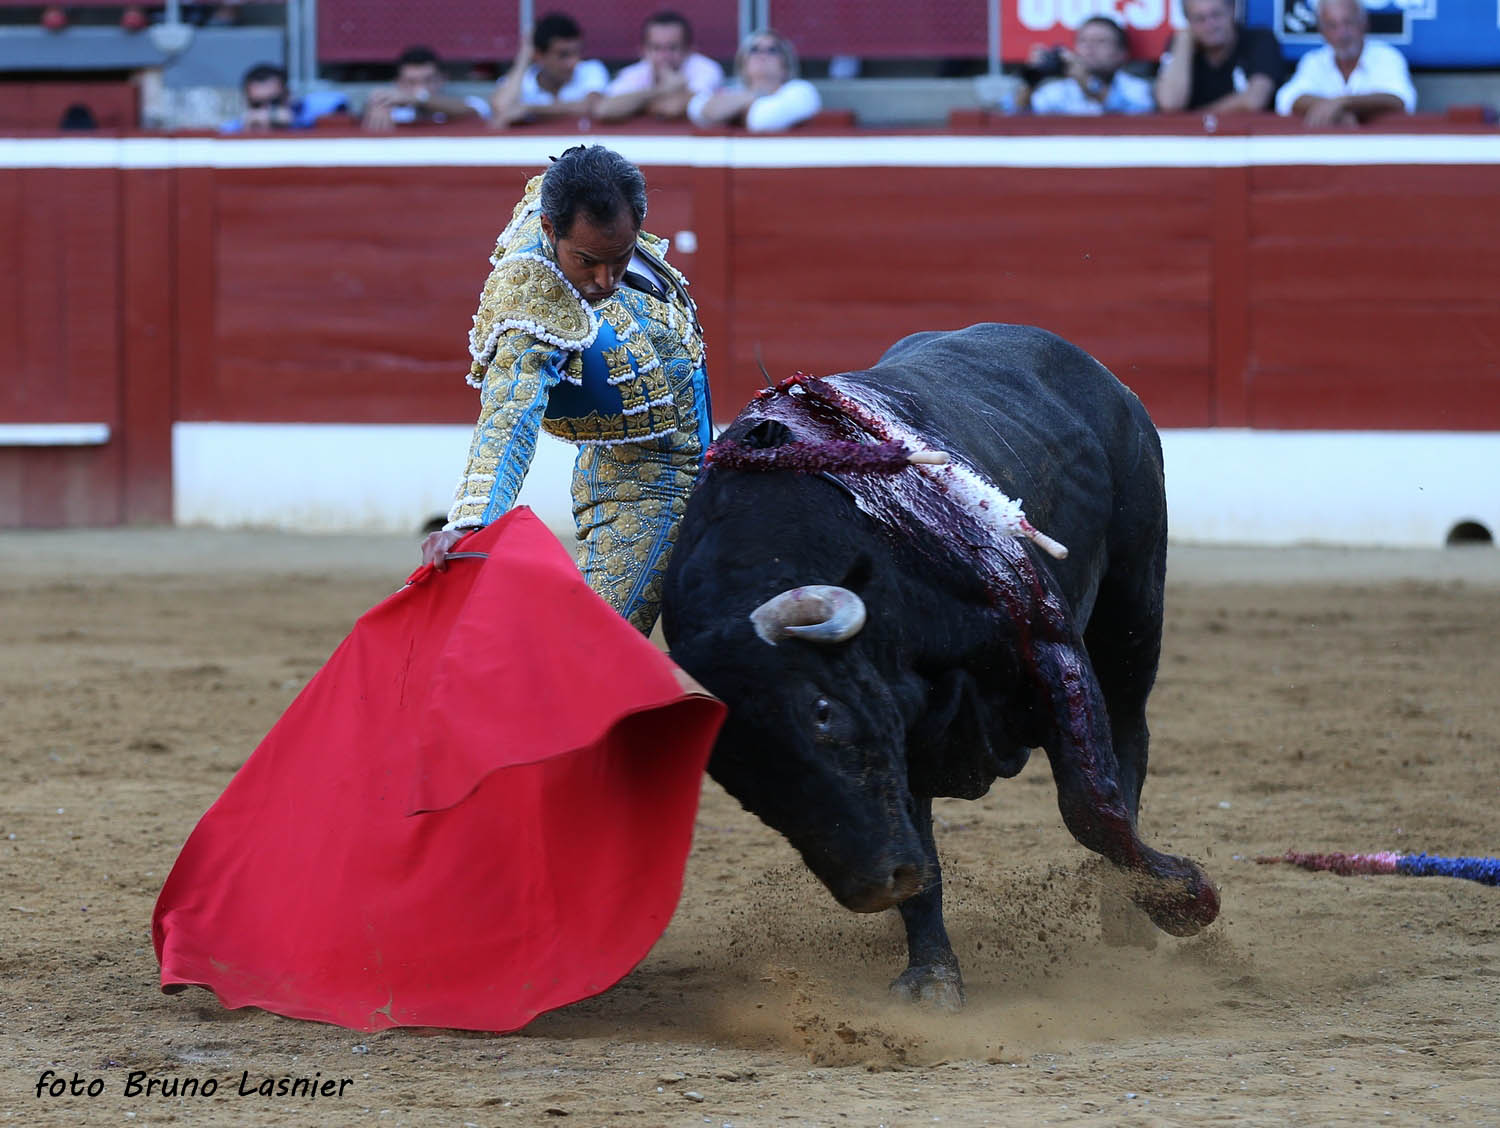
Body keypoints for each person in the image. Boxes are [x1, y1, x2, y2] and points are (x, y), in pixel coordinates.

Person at [422, 145, 711, 635]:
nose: (605, 280)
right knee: (594, 653)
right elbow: (509, 414)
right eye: (587, 261)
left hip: (708, 463)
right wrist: (472, 522)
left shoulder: (586, 208)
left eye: (619, 259)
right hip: (640, 489)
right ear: (551, 231)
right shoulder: (530, 305)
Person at [1275, 0, 1415, 125]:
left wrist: (1344, 103)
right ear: (1321, 31)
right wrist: (1333, 109)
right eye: (1332, 25)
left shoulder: (1386, 56)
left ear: (1364, 23)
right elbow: (1287, 99)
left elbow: (1400, 100)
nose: (1342, 34)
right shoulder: (1314, 61)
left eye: (1348, 23)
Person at [1154, 0, 1285, 114]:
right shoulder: (1181, 46)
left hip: (1250, 138)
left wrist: (1196, 119)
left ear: (1232, 10)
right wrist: (1183, 40)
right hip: (1192, 141)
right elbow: (1169, 104)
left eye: (1216, 15)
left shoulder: (1259, 40)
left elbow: (1254, 100)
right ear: (1188, 21)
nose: (1210, 25)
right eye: (1199, 19)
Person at [592, 11, 723, 123]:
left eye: (672, 48)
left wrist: (636, 105)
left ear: (689, 50)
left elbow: (674, 109)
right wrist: (663, 89)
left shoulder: (706, 69)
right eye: (656, 48)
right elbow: (604, 110)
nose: (664, 56)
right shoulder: (633, 73)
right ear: (644, 51)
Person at [687, 29, 820, 132]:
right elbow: (698, 110)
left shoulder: (801, 90)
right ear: (743, 64)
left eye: (772, 50)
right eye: (754, 49)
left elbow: (762, 120)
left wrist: (735, 108)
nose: (762, 55)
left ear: (785, 66)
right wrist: (754, 95)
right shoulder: (734, 91)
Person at [490, 13, 610, 127]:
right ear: (538, 55)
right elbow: (501, 108)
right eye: (563, 55)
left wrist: (531, 109)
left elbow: (593, 106)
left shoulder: (591, 69)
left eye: (577, 53)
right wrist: (524, 57)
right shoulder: (522, 79)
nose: (573, 62)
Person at [1022, 17, 1155, 116]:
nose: (1089, 48)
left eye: (1100, 41)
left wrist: (1088, 83)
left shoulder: (1137, 89)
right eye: (1083, 41)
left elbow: (1135, 114)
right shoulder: (1058, 90)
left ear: (1121, 53)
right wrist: (1031, 80)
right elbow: (1015, 113)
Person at [361, 46, 490, 131]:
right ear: (398, 83)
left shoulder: (458, 105)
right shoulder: (394, 113)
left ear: (443, 79)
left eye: (428, 80)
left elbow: (476, 109)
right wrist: (375, 107)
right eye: (411, 82)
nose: (420, 88)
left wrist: (419, 99)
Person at [222, 63, 348, 132]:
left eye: (274, 102)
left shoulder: (307, 109)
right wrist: (248, 131)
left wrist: (295, 121)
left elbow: (340, 102)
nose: (265, 110)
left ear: (288, 95)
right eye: (257, 104)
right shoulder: (238, 127)